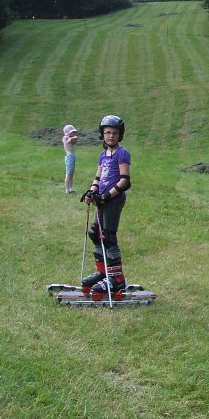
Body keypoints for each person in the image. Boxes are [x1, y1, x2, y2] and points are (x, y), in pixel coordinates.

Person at [80, 115, 132, 295]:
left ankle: (117, 279)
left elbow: (125, 181)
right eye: (107, 132)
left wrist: (107, 196)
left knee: (109, 238)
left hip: (114, 201)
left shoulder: (122, 153)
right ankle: (103, 273)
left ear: (120, 135)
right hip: (102, 201)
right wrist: (92, 192)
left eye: (114, 133)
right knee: (96, 234)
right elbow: (98, 178)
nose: (111, 136)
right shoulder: (103, 155)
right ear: (102, 134)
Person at [62, 125, 78, 194]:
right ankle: (67, 190)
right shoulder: (65, 137)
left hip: (72, 156)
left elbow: (75, 139)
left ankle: (71, 188)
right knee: (68, 174)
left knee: (71, 174)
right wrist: (70, 139)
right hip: (69, 156)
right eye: (72, 132)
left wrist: (72, 138)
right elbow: (68, 140)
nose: (74, 133)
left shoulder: (71, 138)